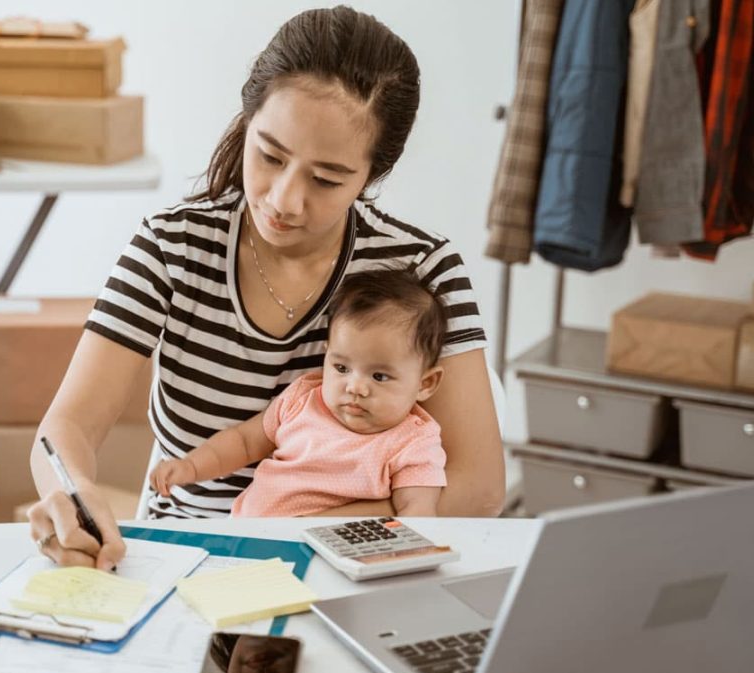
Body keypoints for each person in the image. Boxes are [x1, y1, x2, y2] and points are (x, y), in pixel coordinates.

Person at [28, 5, 504, 571]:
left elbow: (478, 490)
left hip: (357, 566)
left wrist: (289, 532)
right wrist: (71, 493)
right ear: (247, 122)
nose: (283, 200)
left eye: (326, 179)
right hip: (187, 555)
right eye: (270, 155)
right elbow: (69, 426)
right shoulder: (171, 245)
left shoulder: (421, 268)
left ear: (372, 175)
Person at [149, 267, 449, 517]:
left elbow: (416, 513)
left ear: (425, 384)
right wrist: (190, 466)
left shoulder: (413, 442)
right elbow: (242, 442)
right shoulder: (304, 398)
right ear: (326, 354)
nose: (355, 387)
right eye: (341, 368)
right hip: (250, 540)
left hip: (337, 557)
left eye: (380, 376)